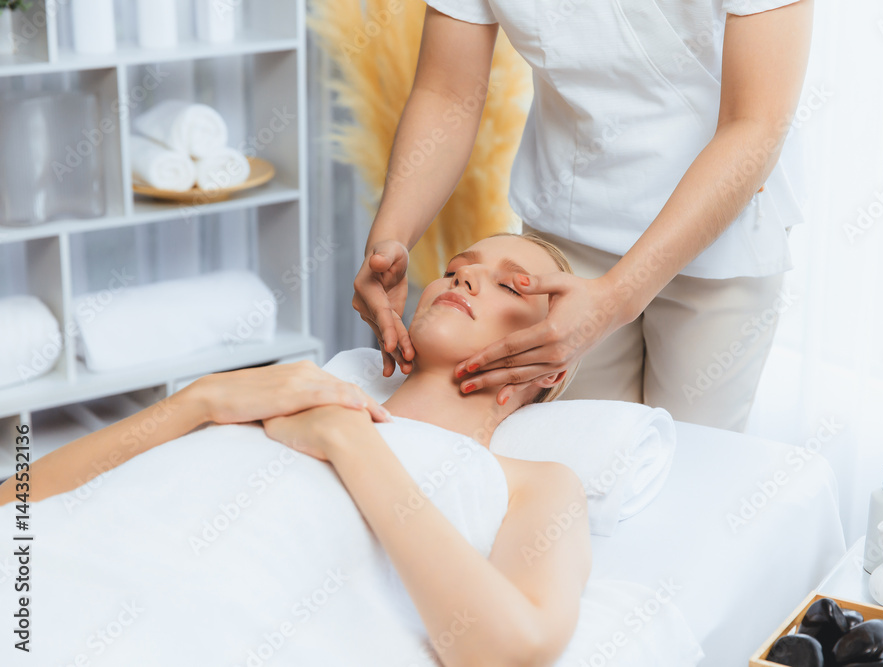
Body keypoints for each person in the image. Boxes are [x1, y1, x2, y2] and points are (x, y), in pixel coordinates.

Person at [0, 233, 591, 667]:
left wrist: (348, 440)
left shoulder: (533, 483)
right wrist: (199, 399)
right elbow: (16, 500)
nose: (463, 279)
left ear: (552, 370)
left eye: (510, 284)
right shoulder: (294, 389)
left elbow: (511, 651)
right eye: (455, 268)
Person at [353, 0, 814, 432]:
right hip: (566, 231)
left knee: (689, 459)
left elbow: (756, 121)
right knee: (573, 446)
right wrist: (390, 239)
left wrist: (617, 297)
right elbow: (447, 93)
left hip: (716, 236)